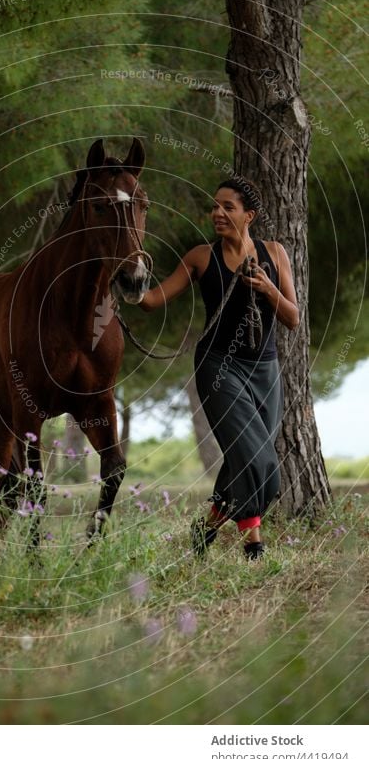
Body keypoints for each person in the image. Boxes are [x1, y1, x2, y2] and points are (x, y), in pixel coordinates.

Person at [139, 178, 299, 559]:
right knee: (258, 459)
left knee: (245, 455)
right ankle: (253, 542)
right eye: (215, 206)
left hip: (264, 369)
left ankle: (206, 528)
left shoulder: (274, 254)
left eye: (228, 207)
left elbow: (292, 317)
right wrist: (128, 281)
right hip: (218, 368)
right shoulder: (200, 257)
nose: (218, 213)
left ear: (250, 216)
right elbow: (151, 301)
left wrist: (267, 289)